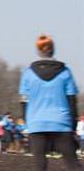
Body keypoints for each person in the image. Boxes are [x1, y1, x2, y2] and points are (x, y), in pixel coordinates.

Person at [19, 34, 81, 171]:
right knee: (73, 164)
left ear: (38, 51)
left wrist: (27, 121)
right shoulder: (65, 72)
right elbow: (72, 101)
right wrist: (73, 125)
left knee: (40, 165)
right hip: (61, 122)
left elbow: (23, 101)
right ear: (53, 50)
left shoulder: (28, 74)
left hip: (36, 123)